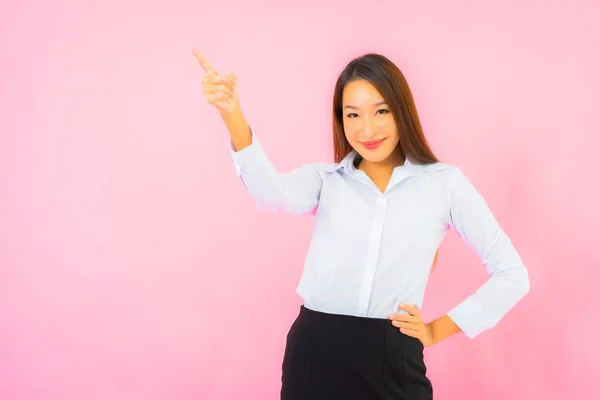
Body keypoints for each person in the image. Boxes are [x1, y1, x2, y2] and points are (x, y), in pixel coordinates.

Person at [192, 48, 530, 400]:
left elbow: (512, 274)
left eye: (380, 111)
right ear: (341, 120)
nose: (367, 129)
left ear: (402, 110)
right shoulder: (326, 180)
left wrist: (434, 330)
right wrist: (231, 114)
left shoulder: (445, 185)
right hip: (315, 349)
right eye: (352, 114)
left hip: (393, 355)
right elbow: (270, 193)